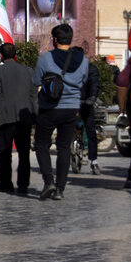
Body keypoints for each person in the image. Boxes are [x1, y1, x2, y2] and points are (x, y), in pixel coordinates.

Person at [33, 23, 88, 201]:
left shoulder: (45, 58)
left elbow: (35, 81)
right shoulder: (83, 60)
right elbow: (85, 81)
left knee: (41, 144)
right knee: (64, 147)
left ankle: (48, 181)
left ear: (54, 39)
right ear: (70, 39)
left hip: (49, 108)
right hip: (71, 108)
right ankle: (60, 189)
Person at [0, 42, 37, 194]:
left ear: (1, 56)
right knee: (24, 153)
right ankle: (23, 184)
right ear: (15, 55)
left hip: (4, 117)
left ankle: (5, 183)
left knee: (4, 153)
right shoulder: (29, 71)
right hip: (24, 117)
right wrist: (34, 115)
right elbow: (33, 95)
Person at [75, 46, 101, 175]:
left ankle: (94, 161)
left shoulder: (90, 69)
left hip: (86, 102)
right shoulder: (68, 69)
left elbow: (94, 84)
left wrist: (92, 97)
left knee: (91, 131)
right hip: (72, 102)